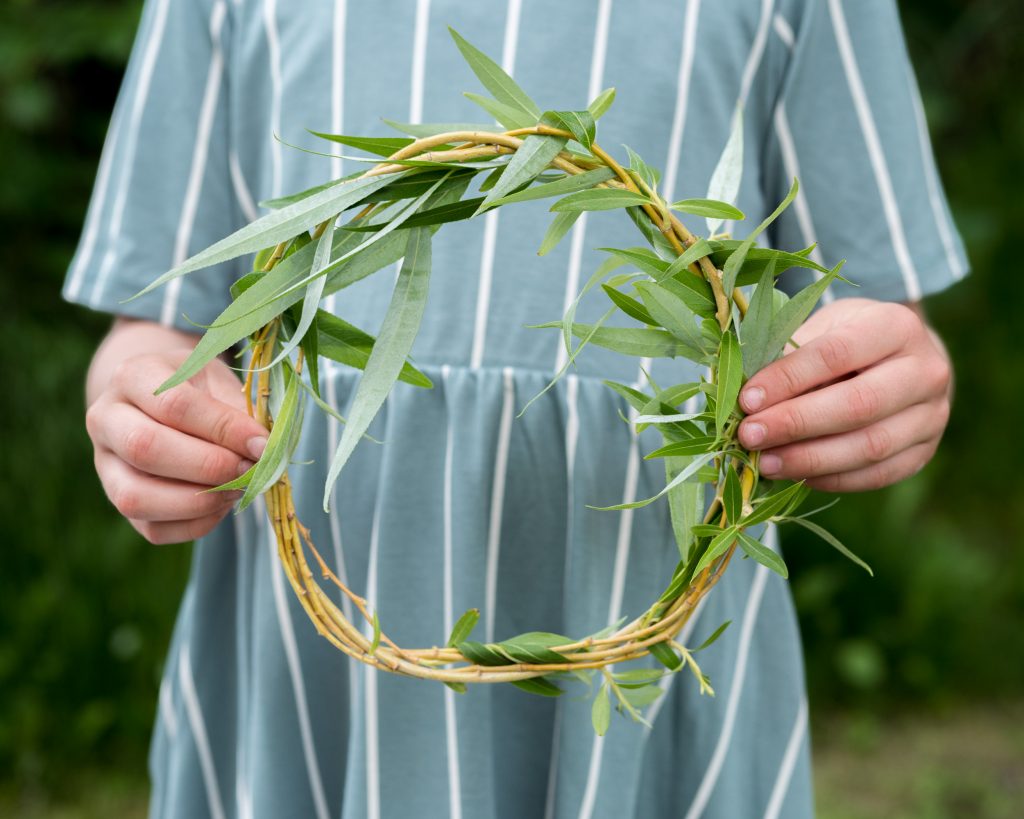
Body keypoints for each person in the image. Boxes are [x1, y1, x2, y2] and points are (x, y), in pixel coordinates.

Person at [65, 1, 965, 817]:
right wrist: (146, 403)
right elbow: (154, 326)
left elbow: (880, 311)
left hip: (650, 632)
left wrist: (888, 380)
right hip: (311, 650)